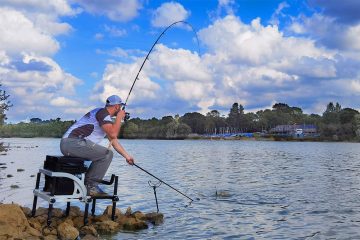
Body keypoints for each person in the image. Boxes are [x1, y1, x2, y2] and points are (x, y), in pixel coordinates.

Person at [60, 95, 134, 196]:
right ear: (117, 107)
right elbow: (113, 134)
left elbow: (114, 140)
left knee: (105, 154)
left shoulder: (103, 116)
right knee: (107, 154)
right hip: (73, 143)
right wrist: (119, 118)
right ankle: (91, 187)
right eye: (120, 107)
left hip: (70, 144)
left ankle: (89, 185)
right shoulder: (103, 113)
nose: (121, 109)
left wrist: (127, 157)